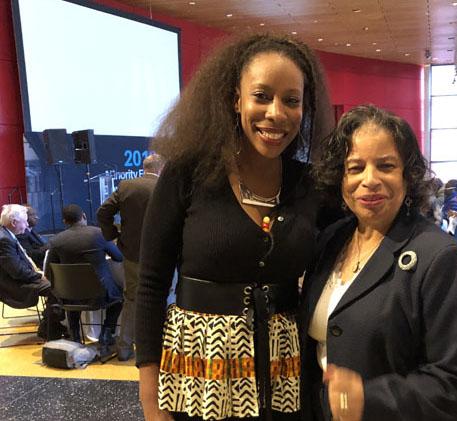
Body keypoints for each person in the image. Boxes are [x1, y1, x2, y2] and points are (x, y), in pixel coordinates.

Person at [135, 34, 334, 421]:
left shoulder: (310, 185)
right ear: (235, 100)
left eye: (291, 100)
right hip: (199, 372)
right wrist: (149, 396)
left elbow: (360, 245)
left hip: (286, 371)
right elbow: (151, 284)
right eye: (261, 96)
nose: (275, 113)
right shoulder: (188, 173)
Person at [302, 105, 457, 420]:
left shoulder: (441, 257)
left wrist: (367, 399)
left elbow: (455, 381)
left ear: (407, 176)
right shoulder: (331, 241)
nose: (369, 179)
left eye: (385, 166)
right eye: (355, 167)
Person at [97, 153, 164, 361]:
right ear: (161, 168)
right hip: (163, 255)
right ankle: (162, 349)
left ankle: (124, 349)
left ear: (144, 167)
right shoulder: (166, 186)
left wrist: (113, 236)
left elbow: (103, 212)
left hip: (133, 253)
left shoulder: (126, 186)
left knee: (132, 300)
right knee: (166, 301)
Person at [45, 204, 123, 349]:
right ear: (84, 216)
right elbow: (119, 257)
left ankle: (75, 336)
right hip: (101, 294)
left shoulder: (56, 241)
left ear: (64, 221)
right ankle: (106, 332)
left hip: (68, 296)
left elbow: (49, 271)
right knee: (120, 298)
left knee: (73, 296)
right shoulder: (98, 234)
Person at [0, 204, 64, 340]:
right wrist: (39, 276)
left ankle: (50, 325)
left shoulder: (7, 234)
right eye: (24, 221)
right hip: (13, 285)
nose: (27, 225)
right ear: (14, 222)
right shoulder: (4, 240)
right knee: (56, 288)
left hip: (21, 277)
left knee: (56, 284)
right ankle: (50, 330)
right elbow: (17, 272)